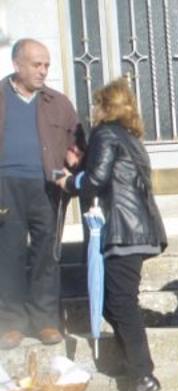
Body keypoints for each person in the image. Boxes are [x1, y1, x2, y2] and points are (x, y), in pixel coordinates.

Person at [56, 78, 167, 391]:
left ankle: (143, 374)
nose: (94, 110)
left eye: (97, 104)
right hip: (135, 230)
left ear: (106, 106)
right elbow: (111, 175)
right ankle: (139, 370)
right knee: (113, 302)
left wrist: (70, 180)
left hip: (122, 232)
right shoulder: (130, 138)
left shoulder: (105, 134)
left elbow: (97, 180)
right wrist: (84, 165)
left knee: (120, 303)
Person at [0, 38, 83, 350]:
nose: (43, 71)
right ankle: (11, 323)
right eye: (37, 64)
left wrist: (75, 159)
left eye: (46, 65)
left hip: (47, 186)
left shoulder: (58, 102)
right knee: (8, 253)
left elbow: (78, 142)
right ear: (17, 64)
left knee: (46, 253)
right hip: (5, 186)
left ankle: (45, 320)